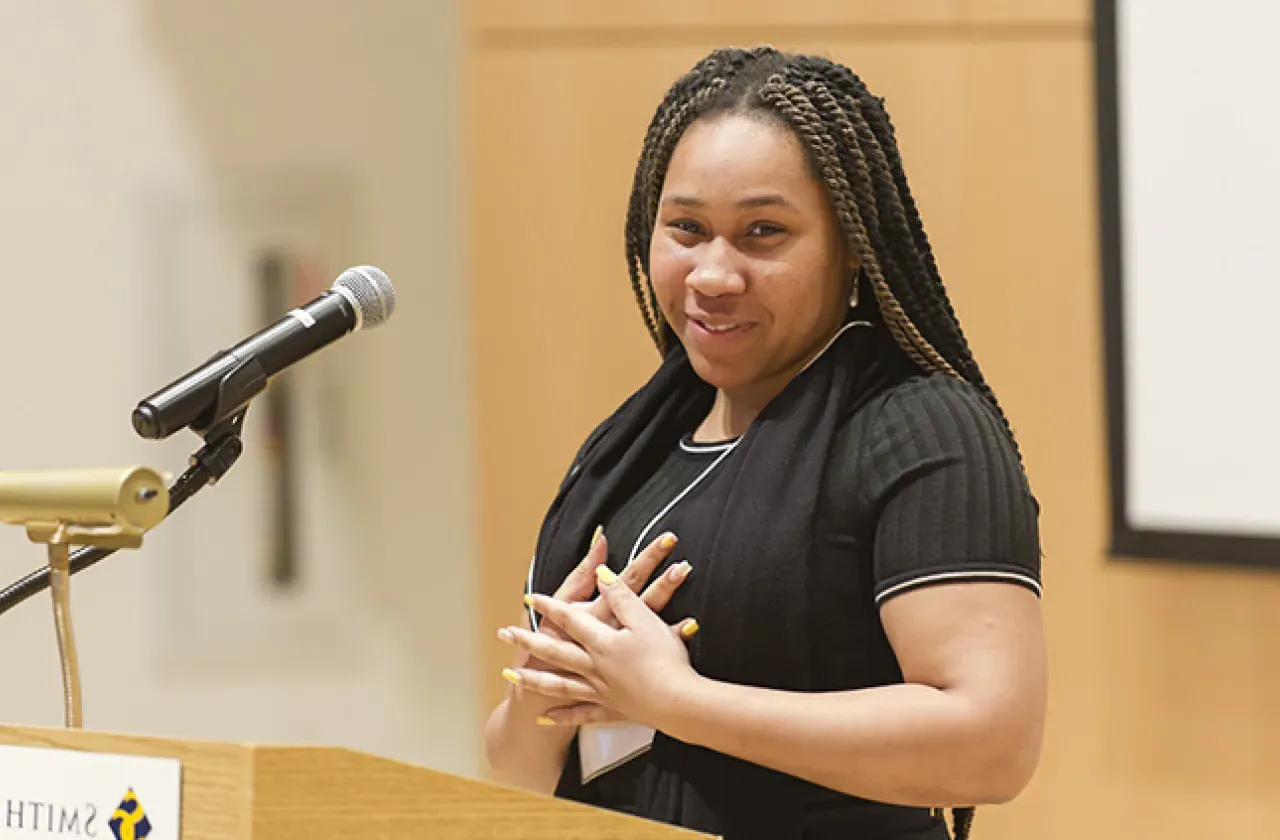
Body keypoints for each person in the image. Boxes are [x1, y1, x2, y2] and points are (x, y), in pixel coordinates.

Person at [482, 45, 1047, 840]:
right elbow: (518, 769)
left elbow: (991, 745)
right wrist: (539, 698)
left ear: (851, 244)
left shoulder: (919, 427)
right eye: (685, 228)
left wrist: (677, 704)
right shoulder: (628, 445)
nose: (713, 273)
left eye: (763, 232)